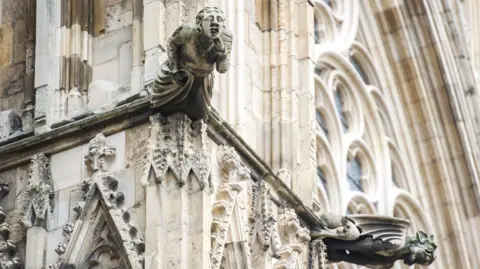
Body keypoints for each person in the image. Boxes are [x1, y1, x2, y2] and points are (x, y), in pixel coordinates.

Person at [151, 6, 233, 121]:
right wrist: (174, 69)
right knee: (160, 102)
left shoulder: (225, 37)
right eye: (210, 19)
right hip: (181, 72)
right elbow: (172, 45)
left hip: (202, 79)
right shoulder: (188, 31)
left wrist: (222, 53)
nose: (215, 23)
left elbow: (222, 69)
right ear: (199, 23)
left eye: (219, 20)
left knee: (200, 116)